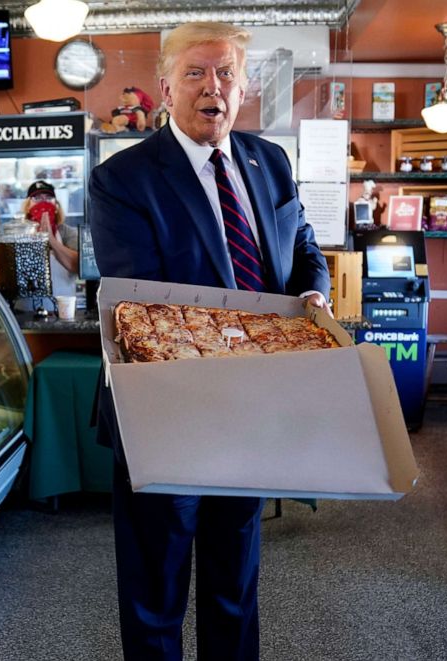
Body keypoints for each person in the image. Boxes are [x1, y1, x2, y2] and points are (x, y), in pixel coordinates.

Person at [88, 22, 329, 660]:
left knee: (234, 582)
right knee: (155, 592)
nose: (211, 87)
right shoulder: (123, 179)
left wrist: (315, 294)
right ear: (166, 87)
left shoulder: (269, 161)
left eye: (225, 73)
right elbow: (144, 304)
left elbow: (303, 247)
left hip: (251, 411)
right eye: (195, 73)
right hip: (164, 410)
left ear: (243, 88)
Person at [20, 180, 79, 309]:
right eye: (37, 198)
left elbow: (77, 265)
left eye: (49, 198)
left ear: (57, 206)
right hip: (26, 310)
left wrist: (50, 239)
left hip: (63, 308)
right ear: (28, 206)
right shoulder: (18, 233)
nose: (43, 202)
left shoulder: (67, 233)